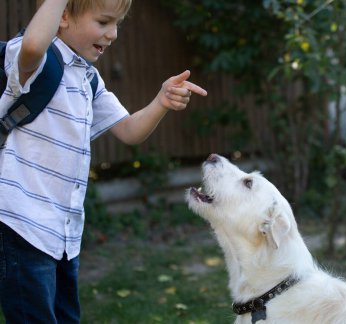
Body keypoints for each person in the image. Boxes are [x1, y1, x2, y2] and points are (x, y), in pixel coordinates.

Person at [0, 0, 207, 322]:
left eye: (117, 25)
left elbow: (129, 130)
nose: (112, 34)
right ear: (64, 16)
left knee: (66, 317)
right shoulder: (35, 62)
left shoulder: (88, 79)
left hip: (64, 232)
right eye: (103, 22)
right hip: (21, 223)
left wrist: (161, 101)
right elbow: (33, 45)